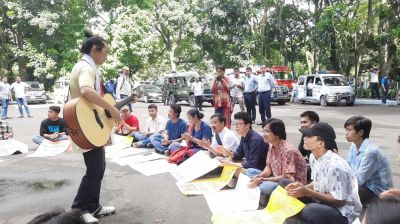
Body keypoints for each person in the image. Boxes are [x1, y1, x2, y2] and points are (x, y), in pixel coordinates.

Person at [68, 31, 121, 224]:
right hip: (85, 125)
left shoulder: (84, 65)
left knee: (98, 166)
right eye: (105, 52)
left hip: (87, 123)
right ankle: (78, 209)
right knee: (95, 168)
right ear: (94, 49)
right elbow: (86, 91)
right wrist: (111, 108)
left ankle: (93, 207)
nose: (106, 56)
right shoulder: (86, 68)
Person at [284, 122, 362, 224]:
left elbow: (340, 201)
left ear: (321, 143)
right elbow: (316, 182)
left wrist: (307, 192)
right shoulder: (313, 157)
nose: (304, 138)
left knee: (310, 210)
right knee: (285, 184)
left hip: (343, 212)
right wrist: (301, 187)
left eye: (309, 136)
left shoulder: (335, 166)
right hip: (323, 201)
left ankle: (300, 217)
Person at [247, 118, 307, 200]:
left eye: (267, 131)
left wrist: (262, 180)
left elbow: (287, 178)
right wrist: (260, 176)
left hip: (289, 184)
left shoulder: (288, 150)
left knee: (264, 187)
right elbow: (269, 166)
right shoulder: (272, 145)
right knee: (250, 171)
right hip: (276, 177)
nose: (264, 134)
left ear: (277, 133)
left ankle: (261, 189)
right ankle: (259, 186)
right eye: (263, 131)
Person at [344, 116, 393, 206]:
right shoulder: (353, 146)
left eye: (349, 130)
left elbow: (358, 180)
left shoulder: (370, 152)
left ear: (361, 132)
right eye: (346, 130)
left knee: (345, 189)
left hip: (378, 193)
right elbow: (347, 167)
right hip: (365, 186)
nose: (346, 133)